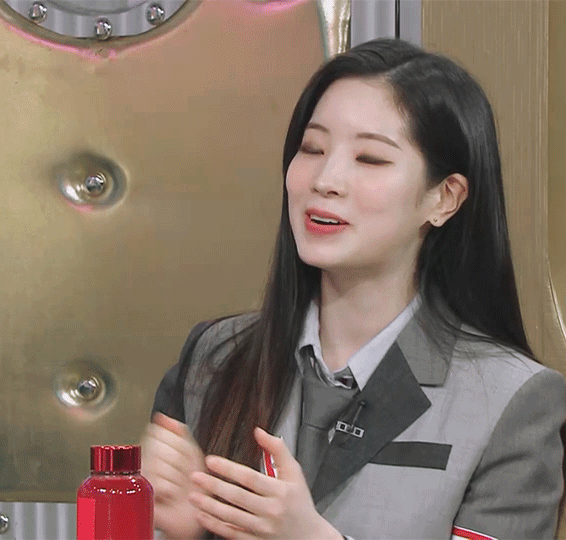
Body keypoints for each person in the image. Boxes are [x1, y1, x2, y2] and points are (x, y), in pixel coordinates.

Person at [140, 37, 566, 540]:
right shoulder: (214, 359)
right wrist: (181, 530)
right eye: (312, 149)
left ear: (443, 198)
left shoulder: (512, 400)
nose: (326, 179)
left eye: (370, 158)